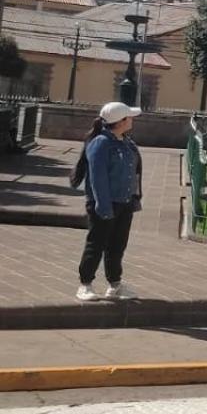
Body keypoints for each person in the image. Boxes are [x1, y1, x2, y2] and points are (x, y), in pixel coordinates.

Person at [73, 102, 143, 302]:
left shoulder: (126, 142)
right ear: (120, 121)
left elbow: (134, 172)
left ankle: (115, 284)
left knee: (117, 246)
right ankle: (85, 284)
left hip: (124, 202)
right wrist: (103, 207)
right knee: (96, 244)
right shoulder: (101, 143)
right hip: (104, 203)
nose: (132, 119)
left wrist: (134, 198)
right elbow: (97, 178)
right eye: (129, 117)